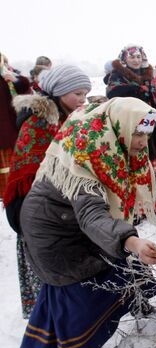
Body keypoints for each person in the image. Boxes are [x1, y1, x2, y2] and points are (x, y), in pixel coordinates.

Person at [17, 97, 156, 348]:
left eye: (147, 134)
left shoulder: (118, 145)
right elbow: (92, 215)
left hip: (82, 224)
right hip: (56, 233)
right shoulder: (88, 155)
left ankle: (139, 302)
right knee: (83, 294)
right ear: (120, 127)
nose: (143, 143)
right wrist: (131, 240)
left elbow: (153, 180)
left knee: (125, 260)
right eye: (138, 134)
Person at [3, 64, 91, 318]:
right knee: (52, 269)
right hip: (35, 208)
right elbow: (31, 171)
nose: (82, 100)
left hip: (58, 204)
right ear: (60, 92)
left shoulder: (67, 117)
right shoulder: (40, 124)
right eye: (77, 94)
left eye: (85, 94)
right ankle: (51, 317)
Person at [107, 44, 156, 217]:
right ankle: (136, 209)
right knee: (135, 164)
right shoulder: (117, 76)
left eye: (138, 57)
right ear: (125, 59)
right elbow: (113, 95)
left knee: (152, 162)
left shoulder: (149, 75)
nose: (136, 60)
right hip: (130, 124)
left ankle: (155, 206)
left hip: (150, 120)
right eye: (132, 57)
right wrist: (135, 89)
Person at [0, 52, 31, 199]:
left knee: (8, 167)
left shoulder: (9, 78)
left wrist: (14, 79)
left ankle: (8, 192)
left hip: (9, 131)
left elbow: (25, 89)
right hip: (8, 131)